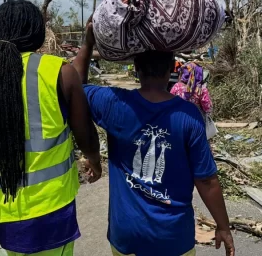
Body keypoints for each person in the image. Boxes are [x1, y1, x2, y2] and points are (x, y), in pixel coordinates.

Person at [72, 21, 235, 256]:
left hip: (126, 234)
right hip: (173, 237)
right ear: (172, 68)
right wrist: (223, 226)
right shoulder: (188, 116)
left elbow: (75, 88)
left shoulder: (114, 103)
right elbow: (207, 181)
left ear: (136, 67)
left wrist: (87, 42)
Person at [0, 0, 102, 256]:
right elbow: (84, 133)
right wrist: (94, 161)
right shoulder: (57, 71)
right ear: (39, 33)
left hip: (2, 211)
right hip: (51, 209)